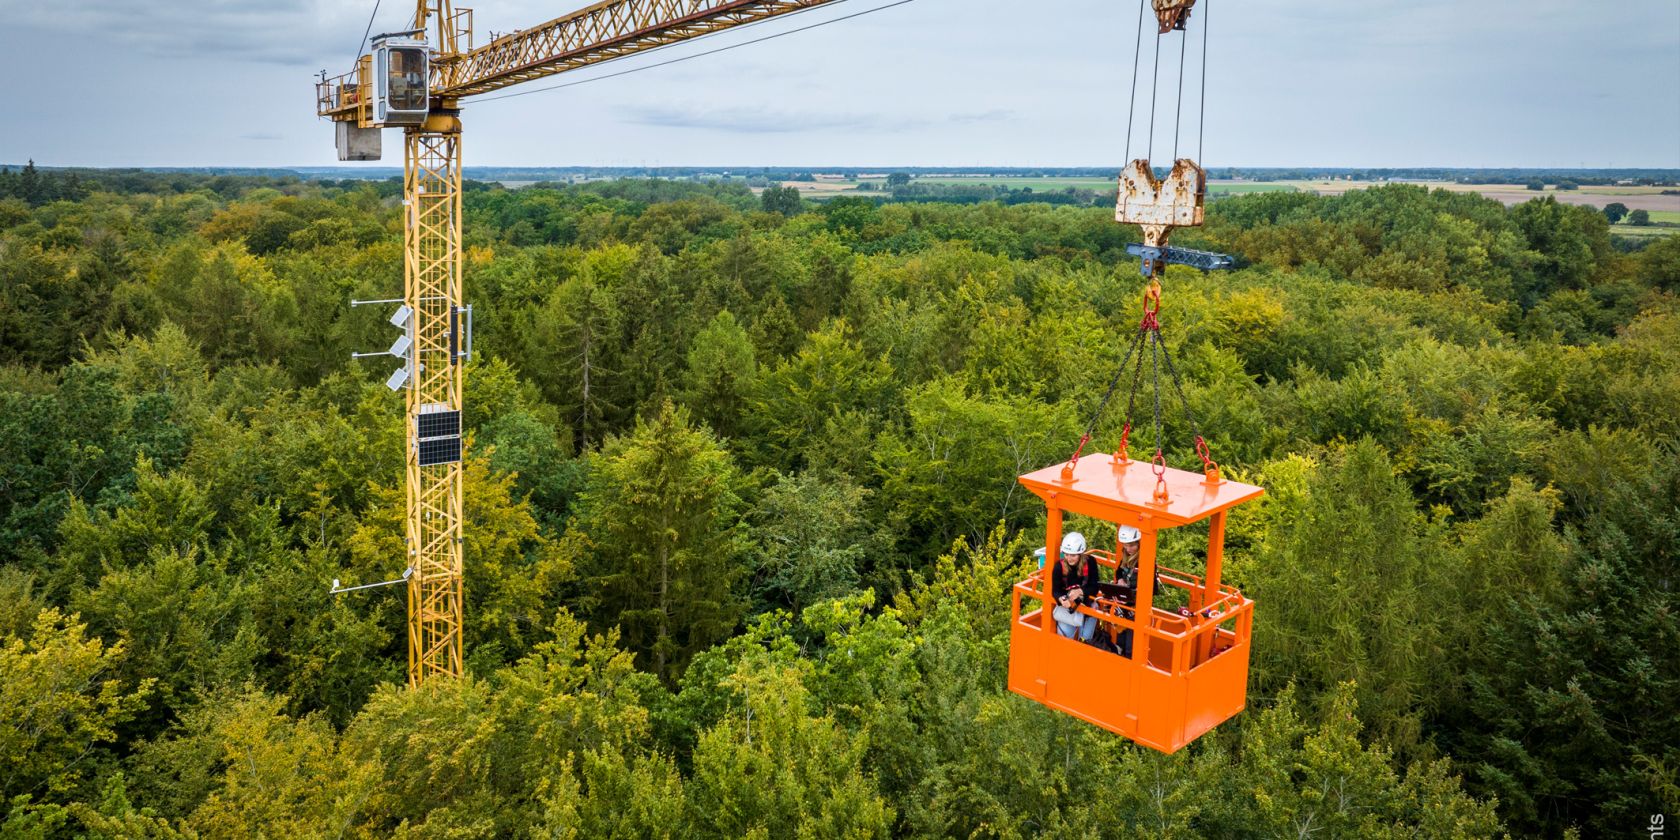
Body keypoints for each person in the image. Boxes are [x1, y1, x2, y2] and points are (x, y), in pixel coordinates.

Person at [1111, 525, 1158, 658]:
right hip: (1125, 602)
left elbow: (1151, 586)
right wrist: (1120, 580)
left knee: (1131, 643)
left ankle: (1129, 661)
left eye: (1132, 545)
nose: (1128, 549)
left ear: (1139, 543)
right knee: (1121, 638)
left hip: (1138, 605)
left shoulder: (1146, 560)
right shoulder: (1126, 556)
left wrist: (1134, 590)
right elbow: (1119, 571)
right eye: (1126, 545)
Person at [1050, 531, 1100, 643]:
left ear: (1081, 554)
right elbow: (1055, 591)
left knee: (1085, 641)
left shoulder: (1090, 562)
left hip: (1087, 605)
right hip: (1068, 609)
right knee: (1064, 640)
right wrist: (1062, 600)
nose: (1069, 558)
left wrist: (1080, 591)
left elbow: (1095, 587)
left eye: (1073, 555)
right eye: (1066, 554)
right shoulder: (1059, 568)